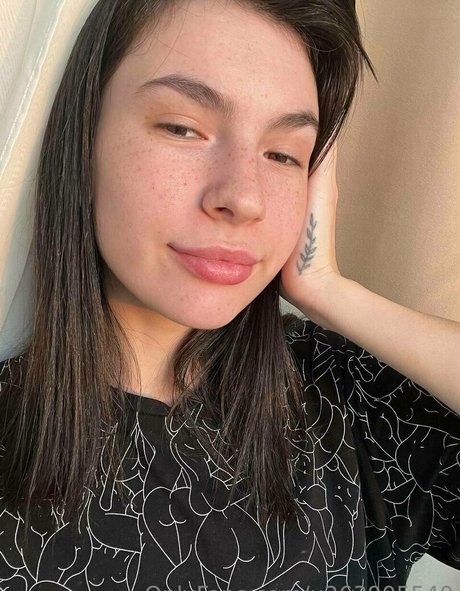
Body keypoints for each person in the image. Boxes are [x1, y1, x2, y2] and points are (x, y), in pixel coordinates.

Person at [0, 0, 459, 589]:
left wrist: (329, 289)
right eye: (182, 128)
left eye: (283, 154)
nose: (244, 198)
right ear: (83, 138)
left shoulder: (347, 400)